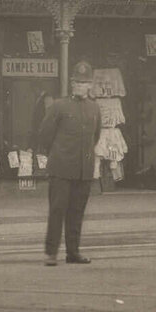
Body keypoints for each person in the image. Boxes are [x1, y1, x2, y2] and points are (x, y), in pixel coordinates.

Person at [35, 61, 103, 266]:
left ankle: (73, 252)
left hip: (84, 170)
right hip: (62, 168)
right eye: (76, 82)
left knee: (77, 212)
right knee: (57, 210)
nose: (79, 85)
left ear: (90, 85)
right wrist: (57, 154)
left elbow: (95, 136)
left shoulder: (94, 108)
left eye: (83, 82)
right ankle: (51, 253)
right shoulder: (59, 106)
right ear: (71, 83)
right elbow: (45, 135)